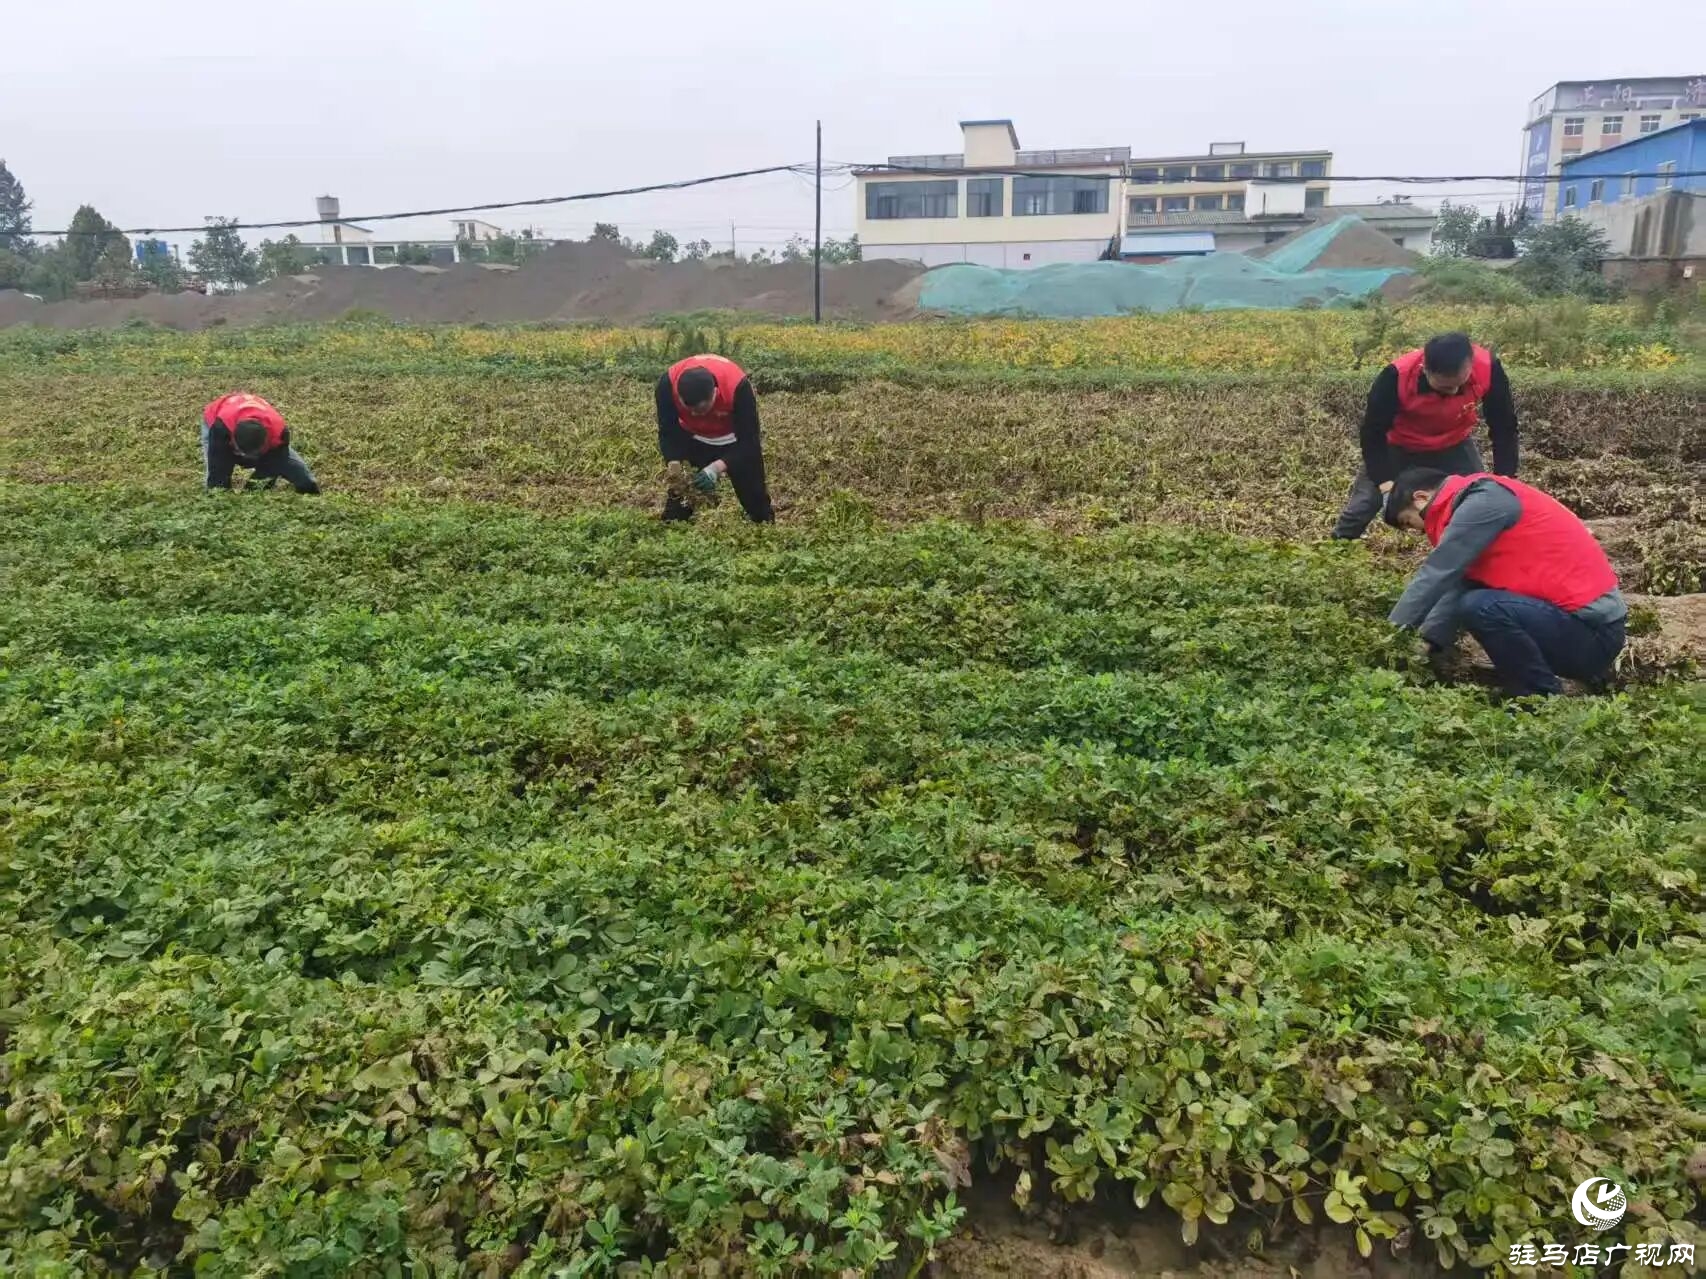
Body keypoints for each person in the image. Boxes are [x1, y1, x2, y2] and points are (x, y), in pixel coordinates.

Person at [1383, 468, 1626, 697]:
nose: (1416, 531)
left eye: (1408, 522)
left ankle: (1539, 695)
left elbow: (1438, 571)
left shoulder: (1484, 502)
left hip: (1594, 636)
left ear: (1421, 498)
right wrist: (1427, 640)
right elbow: (1460, 581)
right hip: (1570, 631)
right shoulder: (1478, 504)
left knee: (1481, 607)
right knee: (1475, 599)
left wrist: (1389, 637)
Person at [1332, 332, 1518, 540]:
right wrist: (1385, 484)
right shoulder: (1396, 377)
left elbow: (1504, 425)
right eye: (1445, 387)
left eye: (1460, 384)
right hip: (1398, 446)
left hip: (1454, 444)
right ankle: (1338, 547)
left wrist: (1505, 476)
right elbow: (1372, 433)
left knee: (1479, 500)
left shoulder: (1488, 368)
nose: (1453, 392)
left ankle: (1482, 552)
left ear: (1470, 364)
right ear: (1424, 369)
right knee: (1363, 505)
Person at [655, 354, 774, 524]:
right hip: (693, 438)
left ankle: (764, 525)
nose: (695, 414)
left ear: (715, 393)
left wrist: (716, 468)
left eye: (701, 409)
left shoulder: (737, 387)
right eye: (689, 409)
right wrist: (674, 464)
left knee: (756, 501)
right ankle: (673, 529)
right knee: (679, 503)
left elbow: (750, 442)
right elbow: (667, 430)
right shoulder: (667, 385)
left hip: (733, 441)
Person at [202, 392, 320, 493]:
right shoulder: (221, 429)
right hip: (216, 415)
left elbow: (274, 465)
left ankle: (311, 492)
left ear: (266, 442)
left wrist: (251, 493)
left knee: (301, 477)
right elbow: (218, 471)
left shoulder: (279, 433)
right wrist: (221, 495)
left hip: (260, 423)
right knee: (217, 481)